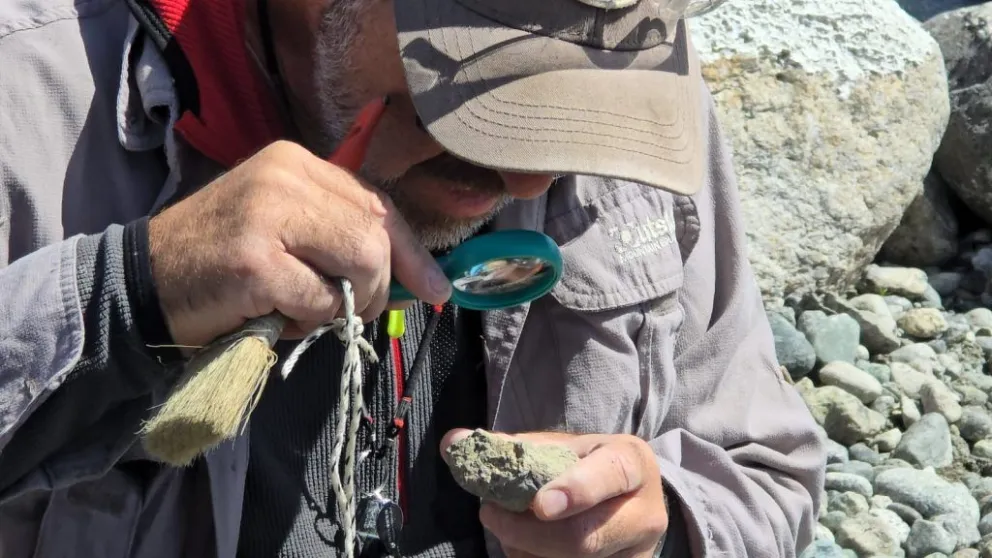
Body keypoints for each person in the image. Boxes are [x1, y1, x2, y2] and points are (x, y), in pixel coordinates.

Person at [0, 0, 827, 556]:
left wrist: (664, 528)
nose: (536, 183)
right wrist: (130, 293)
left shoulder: (623, 88)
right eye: (488, 100)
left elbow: (767, 471)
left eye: (568, 118)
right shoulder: (26, 100)